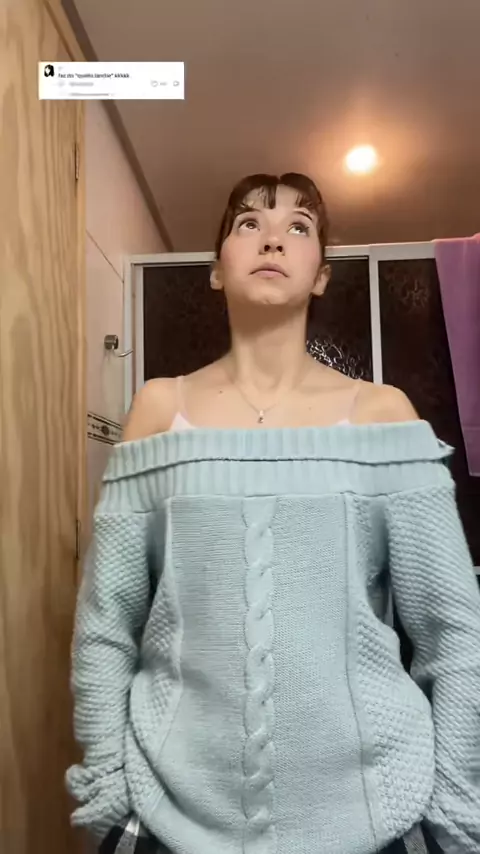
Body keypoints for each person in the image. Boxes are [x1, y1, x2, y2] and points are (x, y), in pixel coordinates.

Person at [66, 173, 480, 854]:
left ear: (321, 276)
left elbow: (454, 630)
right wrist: (109, 784)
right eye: (249, 223)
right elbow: (108, 622)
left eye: (299, 227)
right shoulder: (158, 410)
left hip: (375, 814)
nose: (273, 239)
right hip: (168, 813)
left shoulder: (383, 414)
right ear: (216, 270)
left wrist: (456, 806)